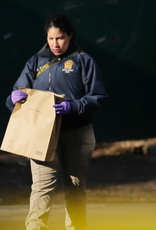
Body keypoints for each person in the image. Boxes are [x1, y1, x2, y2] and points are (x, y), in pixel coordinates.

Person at [7, 14, 107, 230]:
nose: (55, 44)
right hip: (41, 135)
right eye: (51, 38)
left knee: (75, 187)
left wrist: (73, 106)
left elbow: (98, 98)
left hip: (77, 133)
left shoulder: (84, 61)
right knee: (42, 188)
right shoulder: (34, 62)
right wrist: (12, 98)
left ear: (70, 35)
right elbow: (18, 93)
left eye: (60, 38)